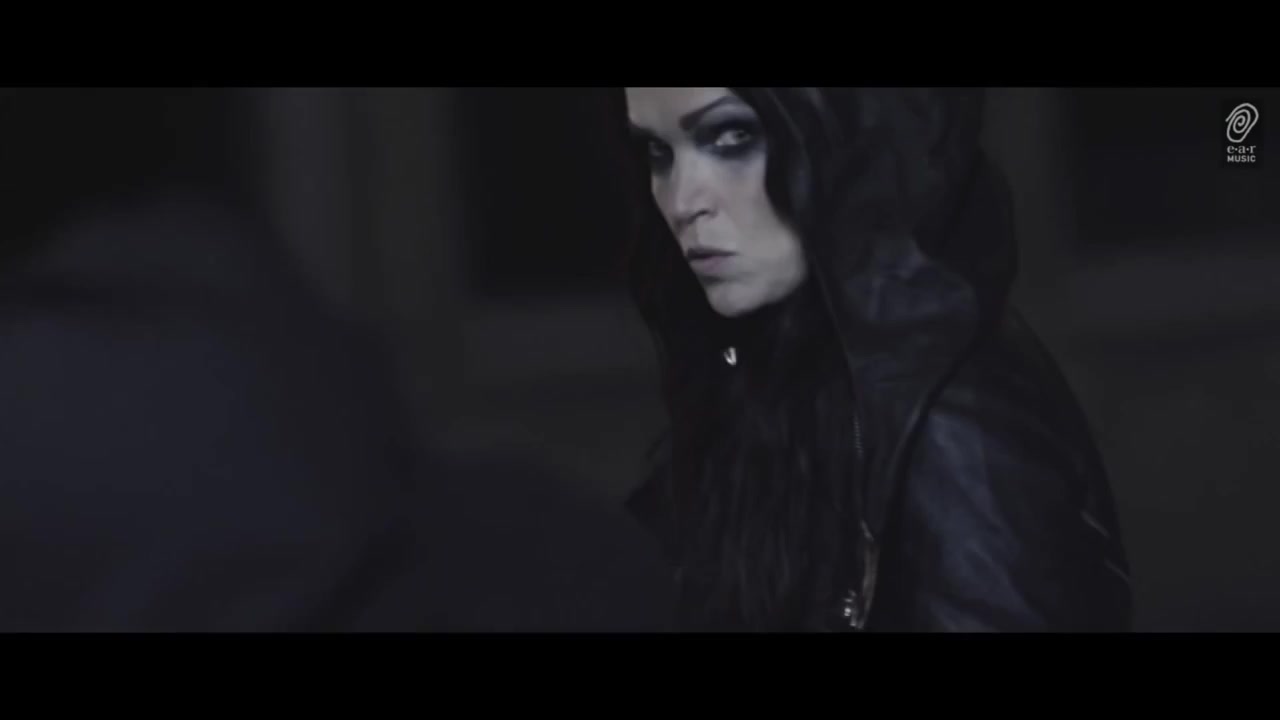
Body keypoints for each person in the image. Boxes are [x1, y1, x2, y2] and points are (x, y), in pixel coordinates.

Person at [620, 87, 1133, 632]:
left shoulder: (952, 427)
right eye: (659, 152)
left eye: (733, 137)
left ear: (852, 129)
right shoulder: (763, 374)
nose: (683, 202)